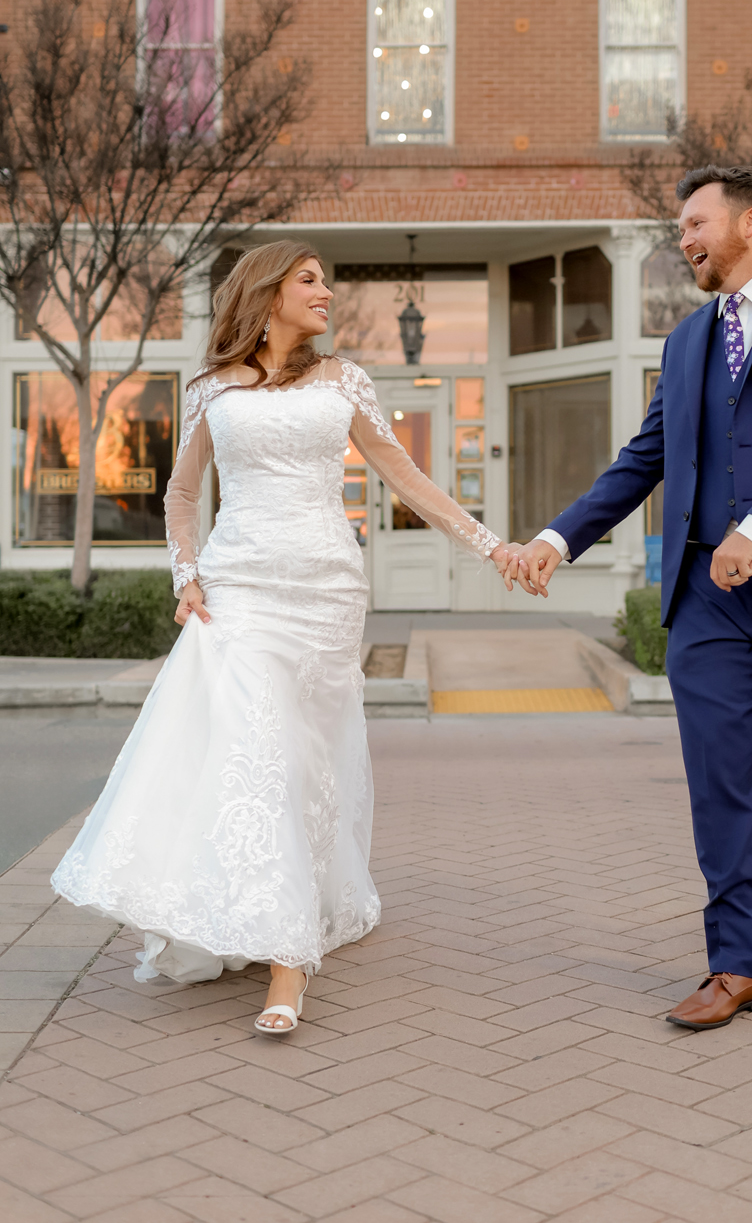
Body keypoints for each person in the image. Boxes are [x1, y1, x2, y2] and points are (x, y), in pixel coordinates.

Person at [52, 241, 515, 1034]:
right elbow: (182, 494)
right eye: (311, 281)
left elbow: (408, 480)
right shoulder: (210, 391)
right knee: (256, 755)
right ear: (267, 294)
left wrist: (493, 547)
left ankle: (288, 914)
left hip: (327, 589)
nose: (327, 292)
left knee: (305, 759)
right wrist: (185, 574)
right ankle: (286, 960)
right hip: (240, 592)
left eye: (327, 280)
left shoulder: (347, 382)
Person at [509, 165, 752, 1030]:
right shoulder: (686, 340)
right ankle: (737, 964)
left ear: (751, 221)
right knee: (718, 778)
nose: (682, 240)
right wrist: (556, 538)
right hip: (703, 595)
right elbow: (644, 460)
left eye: (694, 223)